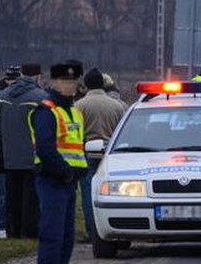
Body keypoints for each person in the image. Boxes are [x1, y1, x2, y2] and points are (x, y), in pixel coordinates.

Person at [30, 62, 87, 264]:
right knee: (52, 236)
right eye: (64, 81)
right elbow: (45, 150)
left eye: (73, 81)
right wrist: (66, 172)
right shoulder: (47, 111)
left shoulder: (74, 111)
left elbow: (79, 145)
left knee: (66, 238)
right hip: (52, 180)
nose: (69, 86)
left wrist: (81, 169)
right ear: (54, 82)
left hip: (68, 183)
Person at [74, 68, 126, 243]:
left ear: (86, 84)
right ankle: (118, 230)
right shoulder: (118, 106)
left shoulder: (79, 106)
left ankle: (92, 231)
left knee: (89, 195)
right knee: (113, 196)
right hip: (111, 158)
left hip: (86, 155)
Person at [0, 64, 47, 239]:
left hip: (9, 156)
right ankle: (29, 232)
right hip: (32, 156)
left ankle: (13, 231)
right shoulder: (41, 98)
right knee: (31, 198)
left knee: (12, 196)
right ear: (37, 76)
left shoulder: (3, 96)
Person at [0, 66, 21, 239]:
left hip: (3, 150)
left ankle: (2, 225)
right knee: (2, 192)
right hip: (4, 151)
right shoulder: (0, 98)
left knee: (4, 191)